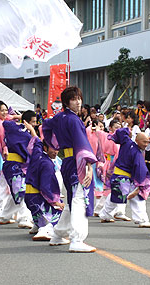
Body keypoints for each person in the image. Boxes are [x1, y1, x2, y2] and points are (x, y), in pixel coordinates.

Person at [42, 86, 98, 253]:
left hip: (67, 161)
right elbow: (83, 146)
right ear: (67, 102)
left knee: (73, 199)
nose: (78, 101)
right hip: (76, 162)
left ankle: (58, 234)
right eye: (74, 99)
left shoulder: (59, 117)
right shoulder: (74, 120)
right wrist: (88, 168)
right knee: (80, 199)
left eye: (79, 98)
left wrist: (54, 144)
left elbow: (45, 126)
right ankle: (77, 239)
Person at [99, 130, 150, 227]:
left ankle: (105, 215)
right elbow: (140, 170)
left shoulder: (127, 142)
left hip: (118, 177)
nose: (146, 144)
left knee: (114, 197)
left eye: (147, 142)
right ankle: (142, 220)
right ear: (136, 140)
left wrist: (128, 131)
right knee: (137, 197)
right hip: (124, 179)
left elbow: (121, 132)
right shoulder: (136, 151)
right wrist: (140, 185)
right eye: (144, 142)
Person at [0, 110, 35, 228]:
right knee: (21, 191)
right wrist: (17, 116)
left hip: (20, 165)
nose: (34, 124)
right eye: (33, 122)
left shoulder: (28, 133)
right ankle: (24, 218)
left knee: (16, 191)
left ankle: (5, 216)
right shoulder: (16, 128)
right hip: (13, 164)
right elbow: (6, 121)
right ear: (26, 121)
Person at [25, 136, 64, 241]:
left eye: (57, 148)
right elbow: (45, 187)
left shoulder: (37, 155)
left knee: (40, 209)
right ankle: (44, 230)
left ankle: (38, 225)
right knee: (61, 213)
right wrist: (55, 202)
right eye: (53, 148)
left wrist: (33, 131)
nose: (56, 151)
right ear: (45, 148)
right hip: (37, 198)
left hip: (28, 197)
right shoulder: (47, 164)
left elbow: (36, 142)